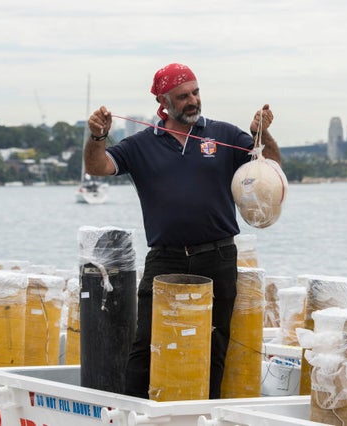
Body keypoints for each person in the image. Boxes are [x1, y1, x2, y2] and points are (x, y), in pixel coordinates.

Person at [84, 63, 280, 399]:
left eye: (195, 92)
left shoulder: (225, 134)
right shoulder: (140, 144)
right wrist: (98, 136)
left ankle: (206, 416)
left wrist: (263, 134)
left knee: (215, 344)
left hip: (217, 255)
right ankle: (133, 415)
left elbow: (271, 168)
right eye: (182, 96)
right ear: (163, 101)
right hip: (165, 259)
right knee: (145, 344)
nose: (192, 101)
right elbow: (97, 166)